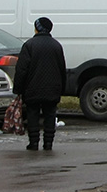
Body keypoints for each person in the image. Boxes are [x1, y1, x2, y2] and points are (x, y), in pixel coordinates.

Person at [14, 16, 67, 151]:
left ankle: (33, 143)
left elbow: (21, 69)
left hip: (32, 88)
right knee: (50, 115)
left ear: (37, 28)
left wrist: (18, 89)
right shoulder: (56, 45)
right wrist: (62, 89)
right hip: (52, 88)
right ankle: (48, 143)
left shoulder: (29, 45)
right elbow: (62, 69)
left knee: (33, 115)